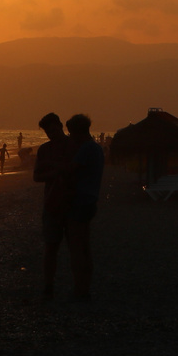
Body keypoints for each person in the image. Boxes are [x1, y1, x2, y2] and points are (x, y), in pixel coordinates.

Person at [32, 112, 76, 301]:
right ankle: (48, 286)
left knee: (76, 247)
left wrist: (56, 168)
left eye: (53, 130)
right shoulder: (44, 150)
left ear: (60, 125)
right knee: (51, 247)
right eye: (47, 133)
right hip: (51, 203)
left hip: (74, 203)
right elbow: (37, 177)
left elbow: (78, 171)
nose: (51, 135)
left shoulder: (74, 146)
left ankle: (79, 286)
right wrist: (54, 172)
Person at [64, 113, 104, 302]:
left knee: (77, 246)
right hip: (90, 200)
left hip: (80, 201)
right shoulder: (95, 148)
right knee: (84, 246)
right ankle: (84, 287)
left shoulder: (86, 149)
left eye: (71, 133)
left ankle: (80, 288)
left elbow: (70, 170)